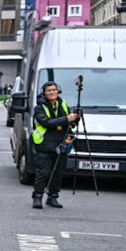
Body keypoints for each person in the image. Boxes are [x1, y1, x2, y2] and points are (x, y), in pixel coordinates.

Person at [28, 80, 79, 209]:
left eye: (54, 90)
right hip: (44, 144)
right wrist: (67, 119)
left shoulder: (63, 104)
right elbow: (46, 122)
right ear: (44, 93)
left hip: (61, 143)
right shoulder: (39, 107)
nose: (52, 93)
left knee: (58, 172)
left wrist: (75, 119)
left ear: (58, 91)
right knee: (43, 172)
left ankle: (53, 197)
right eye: (49, 91)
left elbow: (69, 124)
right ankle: (38, 197)